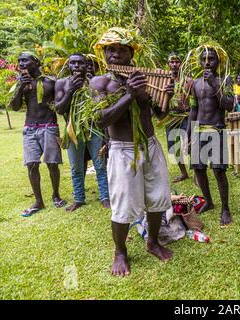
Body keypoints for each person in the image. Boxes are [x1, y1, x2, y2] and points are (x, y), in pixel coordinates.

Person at [90, 27, 175, 276]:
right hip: (123, 150)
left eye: (122, 50)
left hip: (149, 145)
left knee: (158, 198)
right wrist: (129, 95)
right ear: (104, 54)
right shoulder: (100, 83)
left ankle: (153, 242)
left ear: (130, 54)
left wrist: (165, 97)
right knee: (123, 206)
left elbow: (161, 114)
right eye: (111, 50)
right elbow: (100, 120)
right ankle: (120, 253)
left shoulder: (143, 77)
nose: (116, 55)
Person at [9, 51, 66, 217]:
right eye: (19, 60)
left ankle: (56, 195)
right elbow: (14, 107)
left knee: (52, 163)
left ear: (36, 61)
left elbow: (59, 105)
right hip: (30, 128)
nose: (21, 63)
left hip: (49, 126)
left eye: (25, 60)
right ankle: (38, 201)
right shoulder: (21, 83)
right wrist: (20, 87)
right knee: (31, 164)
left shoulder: (50, 82)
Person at [55, 53, 110, 212]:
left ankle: (105, 197)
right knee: (76, 167)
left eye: (81, 63)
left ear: (87, 66)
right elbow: (59, 109)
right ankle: (79, 199)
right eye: (73, 63)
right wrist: (70, 90)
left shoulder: (94, 83)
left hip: (94, 129)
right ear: (68, 66)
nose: (77, 66)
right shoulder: (61, 83)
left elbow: (101, 108)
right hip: (73, 132)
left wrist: (106, 134)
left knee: (100, 165)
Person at [187, 45, 234, 226]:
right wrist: (189, 135)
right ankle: (208, 200)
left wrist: (215, 84)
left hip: (217, 130)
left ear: (218, 62)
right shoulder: (195, 84)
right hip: (199, 131)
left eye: (211, 59)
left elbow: (228, 105)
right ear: (200, 62)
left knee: (219, 171)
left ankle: (225, 208)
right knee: (199, 169)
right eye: (204, 59)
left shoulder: (224, 81)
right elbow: (193, 109)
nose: (207, 62)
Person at [166, 53, 190, 183]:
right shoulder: (164, 80)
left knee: (191, 144)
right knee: (174, 147)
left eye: (177, 62)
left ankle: (198, 174)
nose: (174, 64)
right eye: (172, 62)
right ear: (168, 64)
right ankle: (183, 172)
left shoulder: (187, 81)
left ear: (181, 64)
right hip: (170, 117)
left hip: (186, 116)